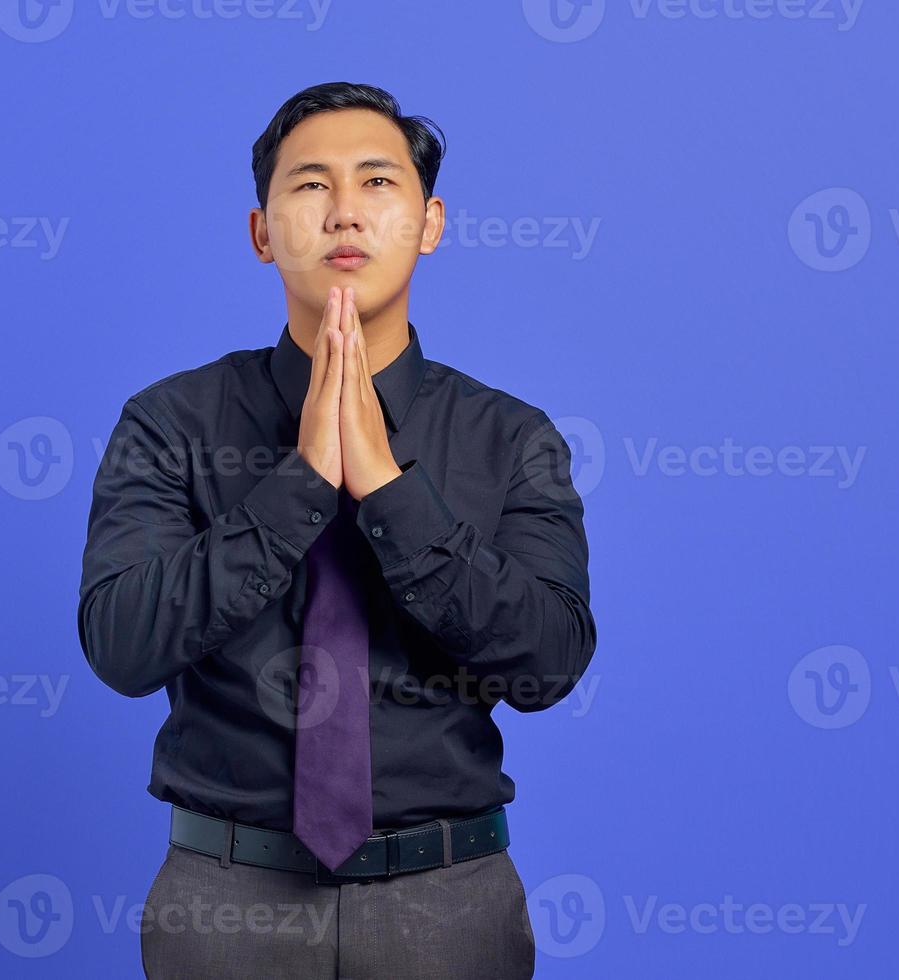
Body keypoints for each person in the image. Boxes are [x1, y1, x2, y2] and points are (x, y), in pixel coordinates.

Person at [78, 80, 597, 979]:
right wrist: (302, 486)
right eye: (310, 186)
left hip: (448, 904)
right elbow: (121, 646)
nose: (344, 212)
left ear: (430, 223)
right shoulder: (169, 423)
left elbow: (549, 663)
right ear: (262, 230)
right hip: (225, 903)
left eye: (377, 183)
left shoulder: (514, 438)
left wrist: (390, 491)